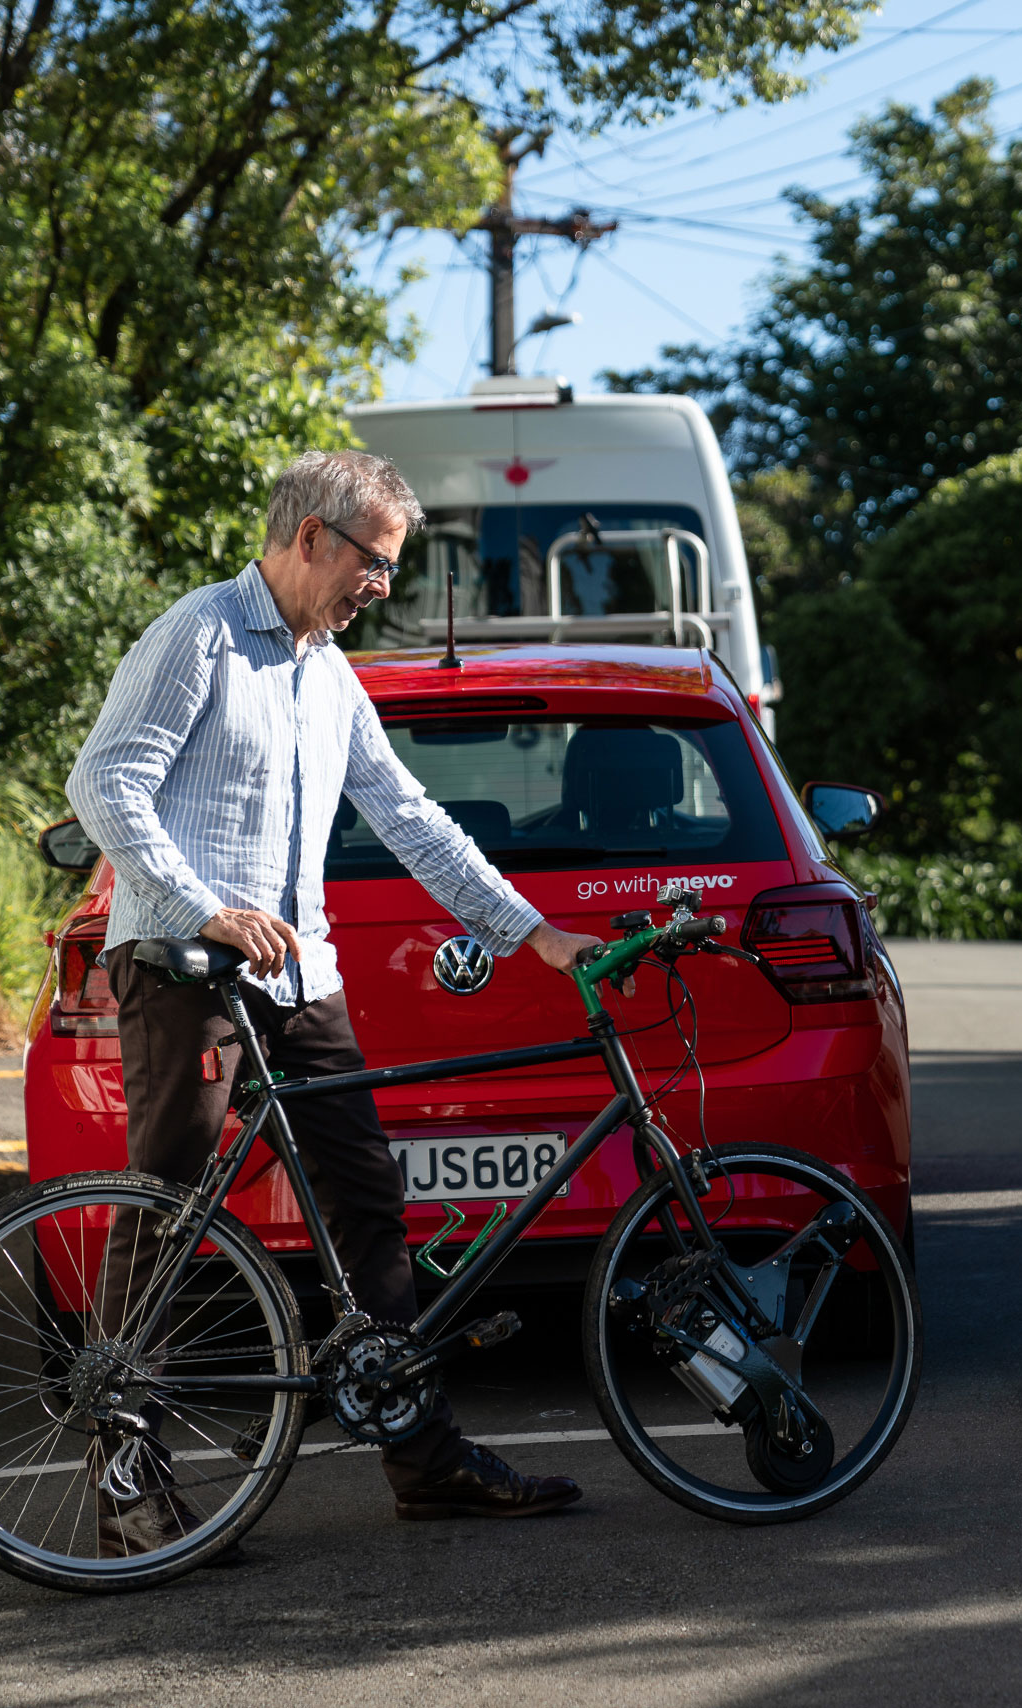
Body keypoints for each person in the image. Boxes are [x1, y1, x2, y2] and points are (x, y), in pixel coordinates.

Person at [67, 449, 605, 1554]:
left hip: (299, 974)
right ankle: (126, 1481)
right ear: (311, 535)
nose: (384, 586)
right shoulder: (199, 636)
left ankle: (426, 1457)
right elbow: (103, 781)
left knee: (369, 1205)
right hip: (183, 970)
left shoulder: (327, 672)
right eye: (376, 561)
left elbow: (411, 818)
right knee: (167, 1214)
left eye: (393, 568)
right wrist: (203, 905)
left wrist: (533, 934)